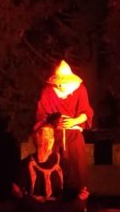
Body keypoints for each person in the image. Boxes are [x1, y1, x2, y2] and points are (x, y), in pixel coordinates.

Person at [34, 59, 94, 203]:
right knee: (55, 166)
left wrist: (74, 121)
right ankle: (54, 200)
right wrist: (53, 123)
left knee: (76, 167)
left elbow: (86, 112)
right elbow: (41, 116)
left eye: (64, 82)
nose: (61, 85)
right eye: (59, 82)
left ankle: (79, 202)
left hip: (73, 134)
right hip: (55, 136)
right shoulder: (48, 92)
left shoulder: (80, 90)